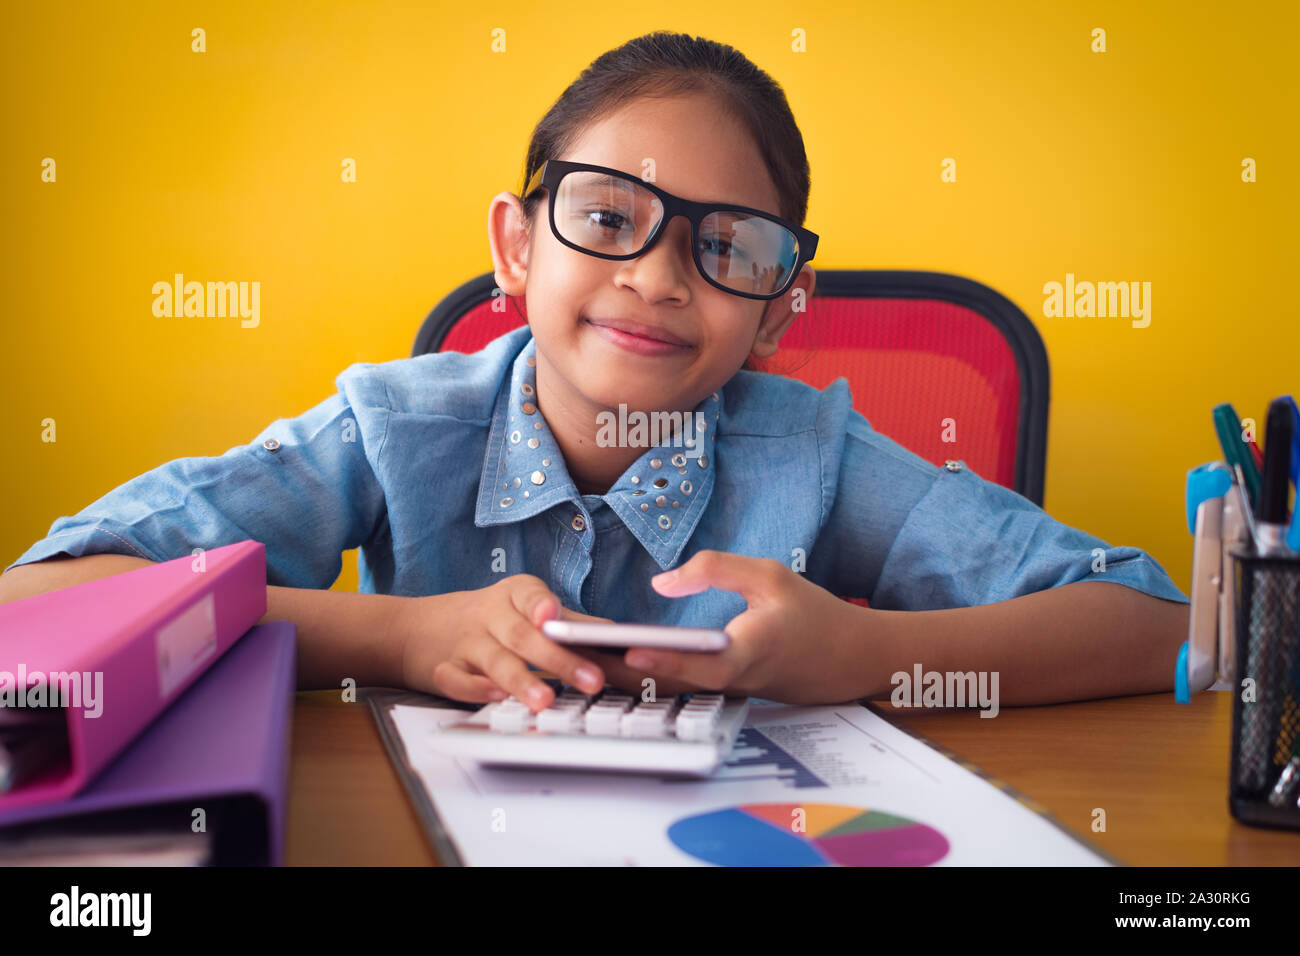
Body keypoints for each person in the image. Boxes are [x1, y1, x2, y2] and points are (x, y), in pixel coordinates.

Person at [0, 31, 1188, 713]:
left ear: (779, 311)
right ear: (516, 247)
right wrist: (393, 634)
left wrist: (868, 657)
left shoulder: (809, 453)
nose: (661, 276)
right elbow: (40, 600)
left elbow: (1149, 622)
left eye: (724, 246)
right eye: (608, 216)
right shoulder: (392, 428)